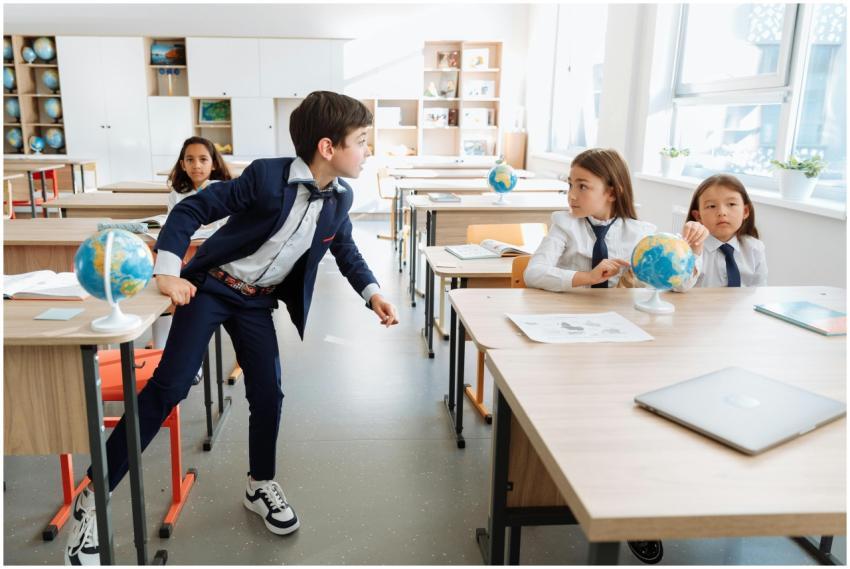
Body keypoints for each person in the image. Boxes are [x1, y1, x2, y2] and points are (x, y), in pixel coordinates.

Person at [65, 91, 399, 565]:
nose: (369, 152)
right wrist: (168, 270)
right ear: (328, 147)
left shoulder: (340, 198)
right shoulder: (267, 177)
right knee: (170, 386)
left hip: (256, 304)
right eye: (362, 141)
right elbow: (190, 210)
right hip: (212, 289)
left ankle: (260, 485)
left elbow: (345, 250)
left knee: (269, 393)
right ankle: (93, 498)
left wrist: (373, 292)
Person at [524, 147, 707, 291]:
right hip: (568, 310)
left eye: (582, 187)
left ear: (612, 193)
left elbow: (680, 286)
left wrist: (695, 250)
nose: (571, 195)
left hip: (617, 316)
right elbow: (533, 273)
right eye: (570, 184)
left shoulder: (640, 234)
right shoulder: (564, 225)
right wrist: (588, 277)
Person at [151, 136, 233, 386]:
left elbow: (223, 224)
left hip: (215, 258)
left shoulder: (224, 189)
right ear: (182, 164)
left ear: (214, 164)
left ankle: (190, 362)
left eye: (203, 159)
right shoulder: (178, 193)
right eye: (190, 160)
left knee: (195, 305)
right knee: (165, 297)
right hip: (183, 254)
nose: (196, 165)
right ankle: (162, 355)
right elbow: (175, 223)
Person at [678, 174, 766, 288]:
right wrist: (694, 253)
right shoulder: (688, 248)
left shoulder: (755, 248)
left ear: (745, 211)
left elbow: (760, 291)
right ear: (698, 216)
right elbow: (680, 287)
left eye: (731, 204)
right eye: (711, 206)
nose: (722, 212)